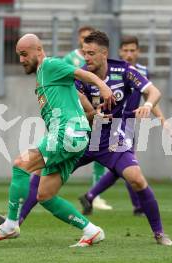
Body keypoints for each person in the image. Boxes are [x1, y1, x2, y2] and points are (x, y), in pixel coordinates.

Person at [0, 31, 172, 246]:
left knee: (136, 178)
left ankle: (160, 233)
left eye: (90, 53)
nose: (86, 57)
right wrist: (94, 113)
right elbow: (80, 102)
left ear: (104, 54)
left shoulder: (124, 71)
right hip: (85, 135)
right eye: (84, 53)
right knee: (43, 189)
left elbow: (153, 92)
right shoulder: (67, 76)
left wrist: (149, 108)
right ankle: (84, 229)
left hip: (107, 138)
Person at [0, 33, 115, 247]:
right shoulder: (45, 75)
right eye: (18, 56)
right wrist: (93, 114)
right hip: (76, 135)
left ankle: (11, 224)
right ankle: (92, 231)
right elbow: (79, 97)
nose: (21, 60)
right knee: (45, 196)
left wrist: (102, 86)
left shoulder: (50, 65)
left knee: (20, 165)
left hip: (66, 132)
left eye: (24, 54)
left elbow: (81, 74)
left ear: (38, 50)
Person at [83, 35, 170, 217]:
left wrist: (161, 117)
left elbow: (149, 96)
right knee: (126, 166)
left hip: (129, 122)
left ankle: (91, 195)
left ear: (138, 52)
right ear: (120, 51)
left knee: (124, 167)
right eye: (126, 50)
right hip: (112, 124)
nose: (129, 54)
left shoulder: (139, 71)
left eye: (133, 50)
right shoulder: (108, 70)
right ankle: (135, 205)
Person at [63, 25, 112, 211]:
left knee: (103, 156)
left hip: (95, 109)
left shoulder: (98, 63)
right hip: (76, 111)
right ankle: (41, 189)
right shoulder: (70, 59)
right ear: (78, 39)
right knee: (62, 154)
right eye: (82, 37)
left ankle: (95, 195)